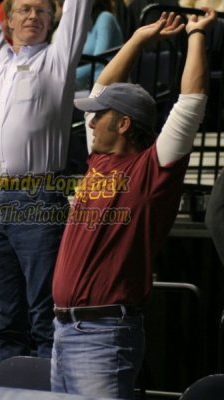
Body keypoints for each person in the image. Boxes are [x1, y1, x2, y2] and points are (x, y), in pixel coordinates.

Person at [51, 8, 217, 400]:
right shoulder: (100, 159)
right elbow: (101, 88)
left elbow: (191, 101)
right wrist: (139, 39)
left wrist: (195, 35)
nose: (90, 123)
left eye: (99, 117)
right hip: (62, 330)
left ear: (124, 123)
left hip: (103, 335)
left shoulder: (151, 172)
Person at [0, 0, 93, 362]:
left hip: (38, 198)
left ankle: (48, 391)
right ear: (8, 20)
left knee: (43, 314)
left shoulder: (57, 60)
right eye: (24, 9)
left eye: (41, 11)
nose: (33, 16)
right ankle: (10, 389)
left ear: (53, 20)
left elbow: (78, 8)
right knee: (3, 317)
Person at [75, 0, 124, 91]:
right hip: (90, 87)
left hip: (108, 89)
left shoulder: (105, 17)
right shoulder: (87, 25)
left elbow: (98, 62)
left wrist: (70, 77)